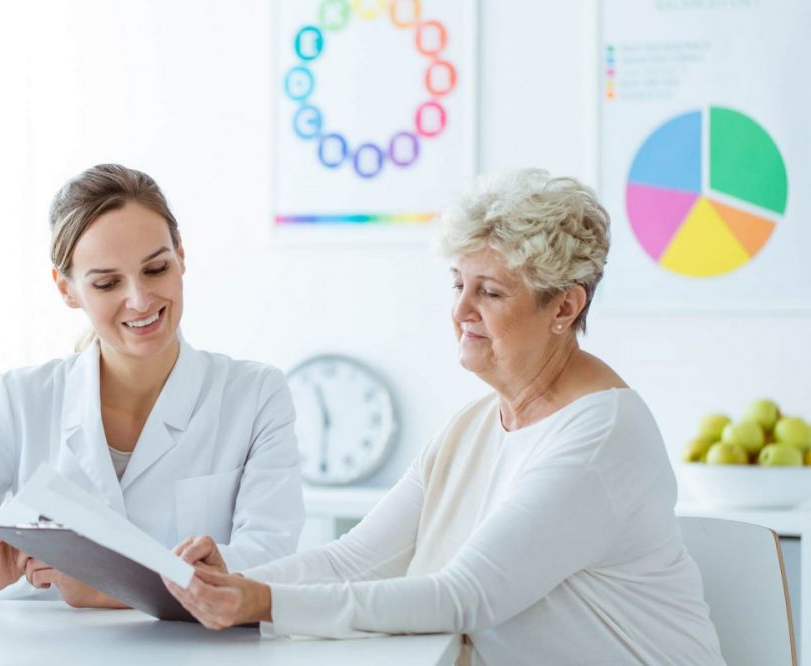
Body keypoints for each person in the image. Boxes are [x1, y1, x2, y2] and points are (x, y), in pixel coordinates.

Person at [163, 170, 725, 665]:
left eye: (491, 292)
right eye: (459, 283)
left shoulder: (602, 434)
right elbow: (356, 560)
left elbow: (465, 596)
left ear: (565, 307)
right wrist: (232, 583)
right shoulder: (476, 424)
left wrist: (260, 602)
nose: (460, 311)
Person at [0, 163, 304, 607]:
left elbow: (274, 566)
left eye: (155, 269)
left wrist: (104, 588)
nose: (140, 300)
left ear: (181, 256)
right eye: (108, 282)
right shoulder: (21, 401)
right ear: (66, 289)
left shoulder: (255, 394)